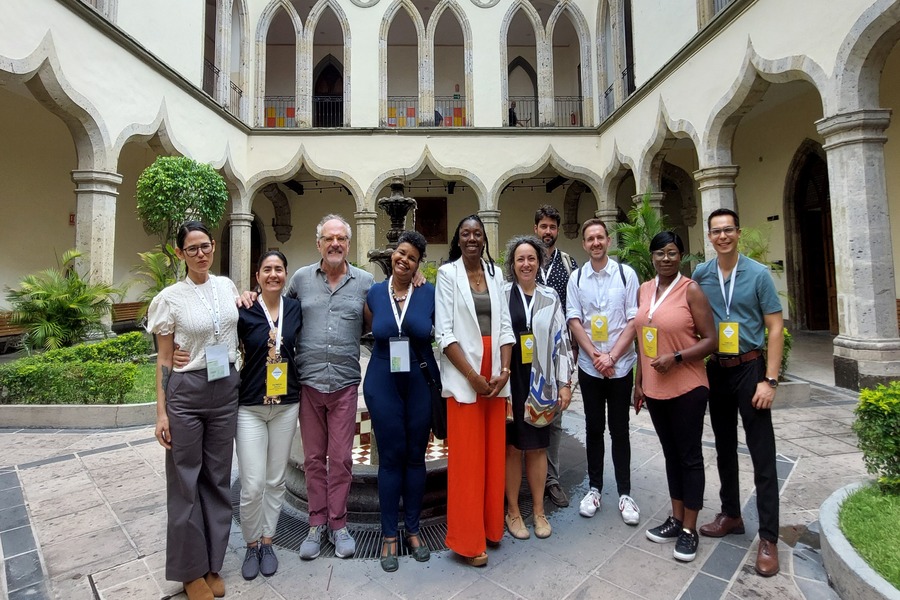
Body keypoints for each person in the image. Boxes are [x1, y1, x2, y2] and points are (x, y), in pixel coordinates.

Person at [147, 221, 240, 600]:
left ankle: (213, 563)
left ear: (214, 246)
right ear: (180, 254)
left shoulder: (227, 286)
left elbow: (234, 328)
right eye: (192, 249)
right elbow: (165, 359)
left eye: (205, 246)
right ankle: (190, 571)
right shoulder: (170, 298)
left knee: (218, 478)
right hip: (187, 392)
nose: (200, 254)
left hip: (225, 389)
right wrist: (162, 413)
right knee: (186, 480)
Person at [693, 208, 785, 577]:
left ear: (738, 233)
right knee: (724, 447)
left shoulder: (758, 275)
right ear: (710, 236)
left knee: (763, 453)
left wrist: (771, 380)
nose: (722, 237)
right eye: (716, 232)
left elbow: (775, 328)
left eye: (728, 230)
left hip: (750, 367)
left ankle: (768, 537)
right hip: (717, 368)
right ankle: (731, 514)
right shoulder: (701, 275)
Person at [288, 214, 374, 561]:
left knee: (340, 459)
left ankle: (338, 525)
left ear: (348, 245)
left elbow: (379, 320)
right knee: (311, 459)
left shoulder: (365, 282)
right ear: (319, 243)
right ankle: (315, 523)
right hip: (308, 383)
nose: (335, 244)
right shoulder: (301, 279)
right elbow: (279, 310)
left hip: (344, 384)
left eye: (341, 239)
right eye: (329, 238)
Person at [435, 214, 514, 567]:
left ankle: (492, 528)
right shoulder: (448, 274)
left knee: (493, 456)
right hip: (465, 374)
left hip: (495, 374)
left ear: (485, 239)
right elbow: (445, 334)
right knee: (467, 462)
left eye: (477, 234)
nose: (472, 239)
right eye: (465, 233)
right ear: (459, 239)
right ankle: (468, 540)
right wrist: (472, 375)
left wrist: (504, 371)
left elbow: (506, 328)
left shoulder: (496, 274)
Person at [633, 232, 716, 563]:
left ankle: (690, 530)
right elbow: (643, 339)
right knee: (670, 454)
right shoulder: (644, 289)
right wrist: (639, 383)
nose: (665, 259)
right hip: (655, 389)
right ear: (652, 257)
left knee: (689, 456)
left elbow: (711, 340)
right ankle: (676, 518)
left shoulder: (690, 289)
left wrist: (677, 357)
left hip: (687, 387)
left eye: (671, 253)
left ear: (680, 255)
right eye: (659, 253)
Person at [362, 231, 437, 572]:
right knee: (390, 458)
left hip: (419, 381)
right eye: (400, 253)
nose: (404, 260)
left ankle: (414, 529)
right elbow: (370, 327)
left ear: (419, 264)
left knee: (416, 457)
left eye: (412, 257)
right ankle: (389, 533)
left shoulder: (428, 293)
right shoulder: (375, 293)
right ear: (393, 255)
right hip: (382, 381)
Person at [566, 218, 641, 526]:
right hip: (590, 367)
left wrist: (611, 356)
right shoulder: (577, 278)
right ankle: (594, 489)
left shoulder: (626, 275)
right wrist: (596, 355)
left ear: (608, 241)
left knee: (620, 430)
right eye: (590, 239)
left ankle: (625, 493)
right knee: (594, 429)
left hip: (621, 366)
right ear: (584, 245)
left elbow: (634, 322)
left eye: (600, 237)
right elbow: (574, 320)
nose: (595, 243)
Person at [501, 236, 574, 541]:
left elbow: (562, 341)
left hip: (541, 381)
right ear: (512, 264)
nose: (526, 264)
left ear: (539, 262)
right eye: (520, 259)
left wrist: (565, 383)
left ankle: (540, 511)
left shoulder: (550, 296)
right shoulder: (502, 293)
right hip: (509, 382)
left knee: (538, 446)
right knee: (514, 447)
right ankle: (514, 511)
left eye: (531, 258)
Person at [236, 251, 302, 580]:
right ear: (257, 276)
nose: (273, 274)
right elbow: (218, 341)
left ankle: (267, 540)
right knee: (251, 485)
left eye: (278, 269)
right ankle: (250, 545)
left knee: (276, 480)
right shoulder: (244, 309)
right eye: (267, 270)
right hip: (249, 406)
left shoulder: (295, 309)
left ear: (285, 274)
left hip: (287, 404)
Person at [533, 204, 578, 508]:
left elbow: (576, 308)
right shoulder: (525, 260)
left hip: (559, 352)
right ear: (535, 228)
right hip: (529, 352)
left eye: (552, 227)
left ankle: (551, 478)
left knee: (556, 419)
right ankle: (529, 474)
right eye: (543, 226)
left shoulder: (569, 264)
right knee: (526, 415)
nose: (548, 232)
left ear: (557, 230)